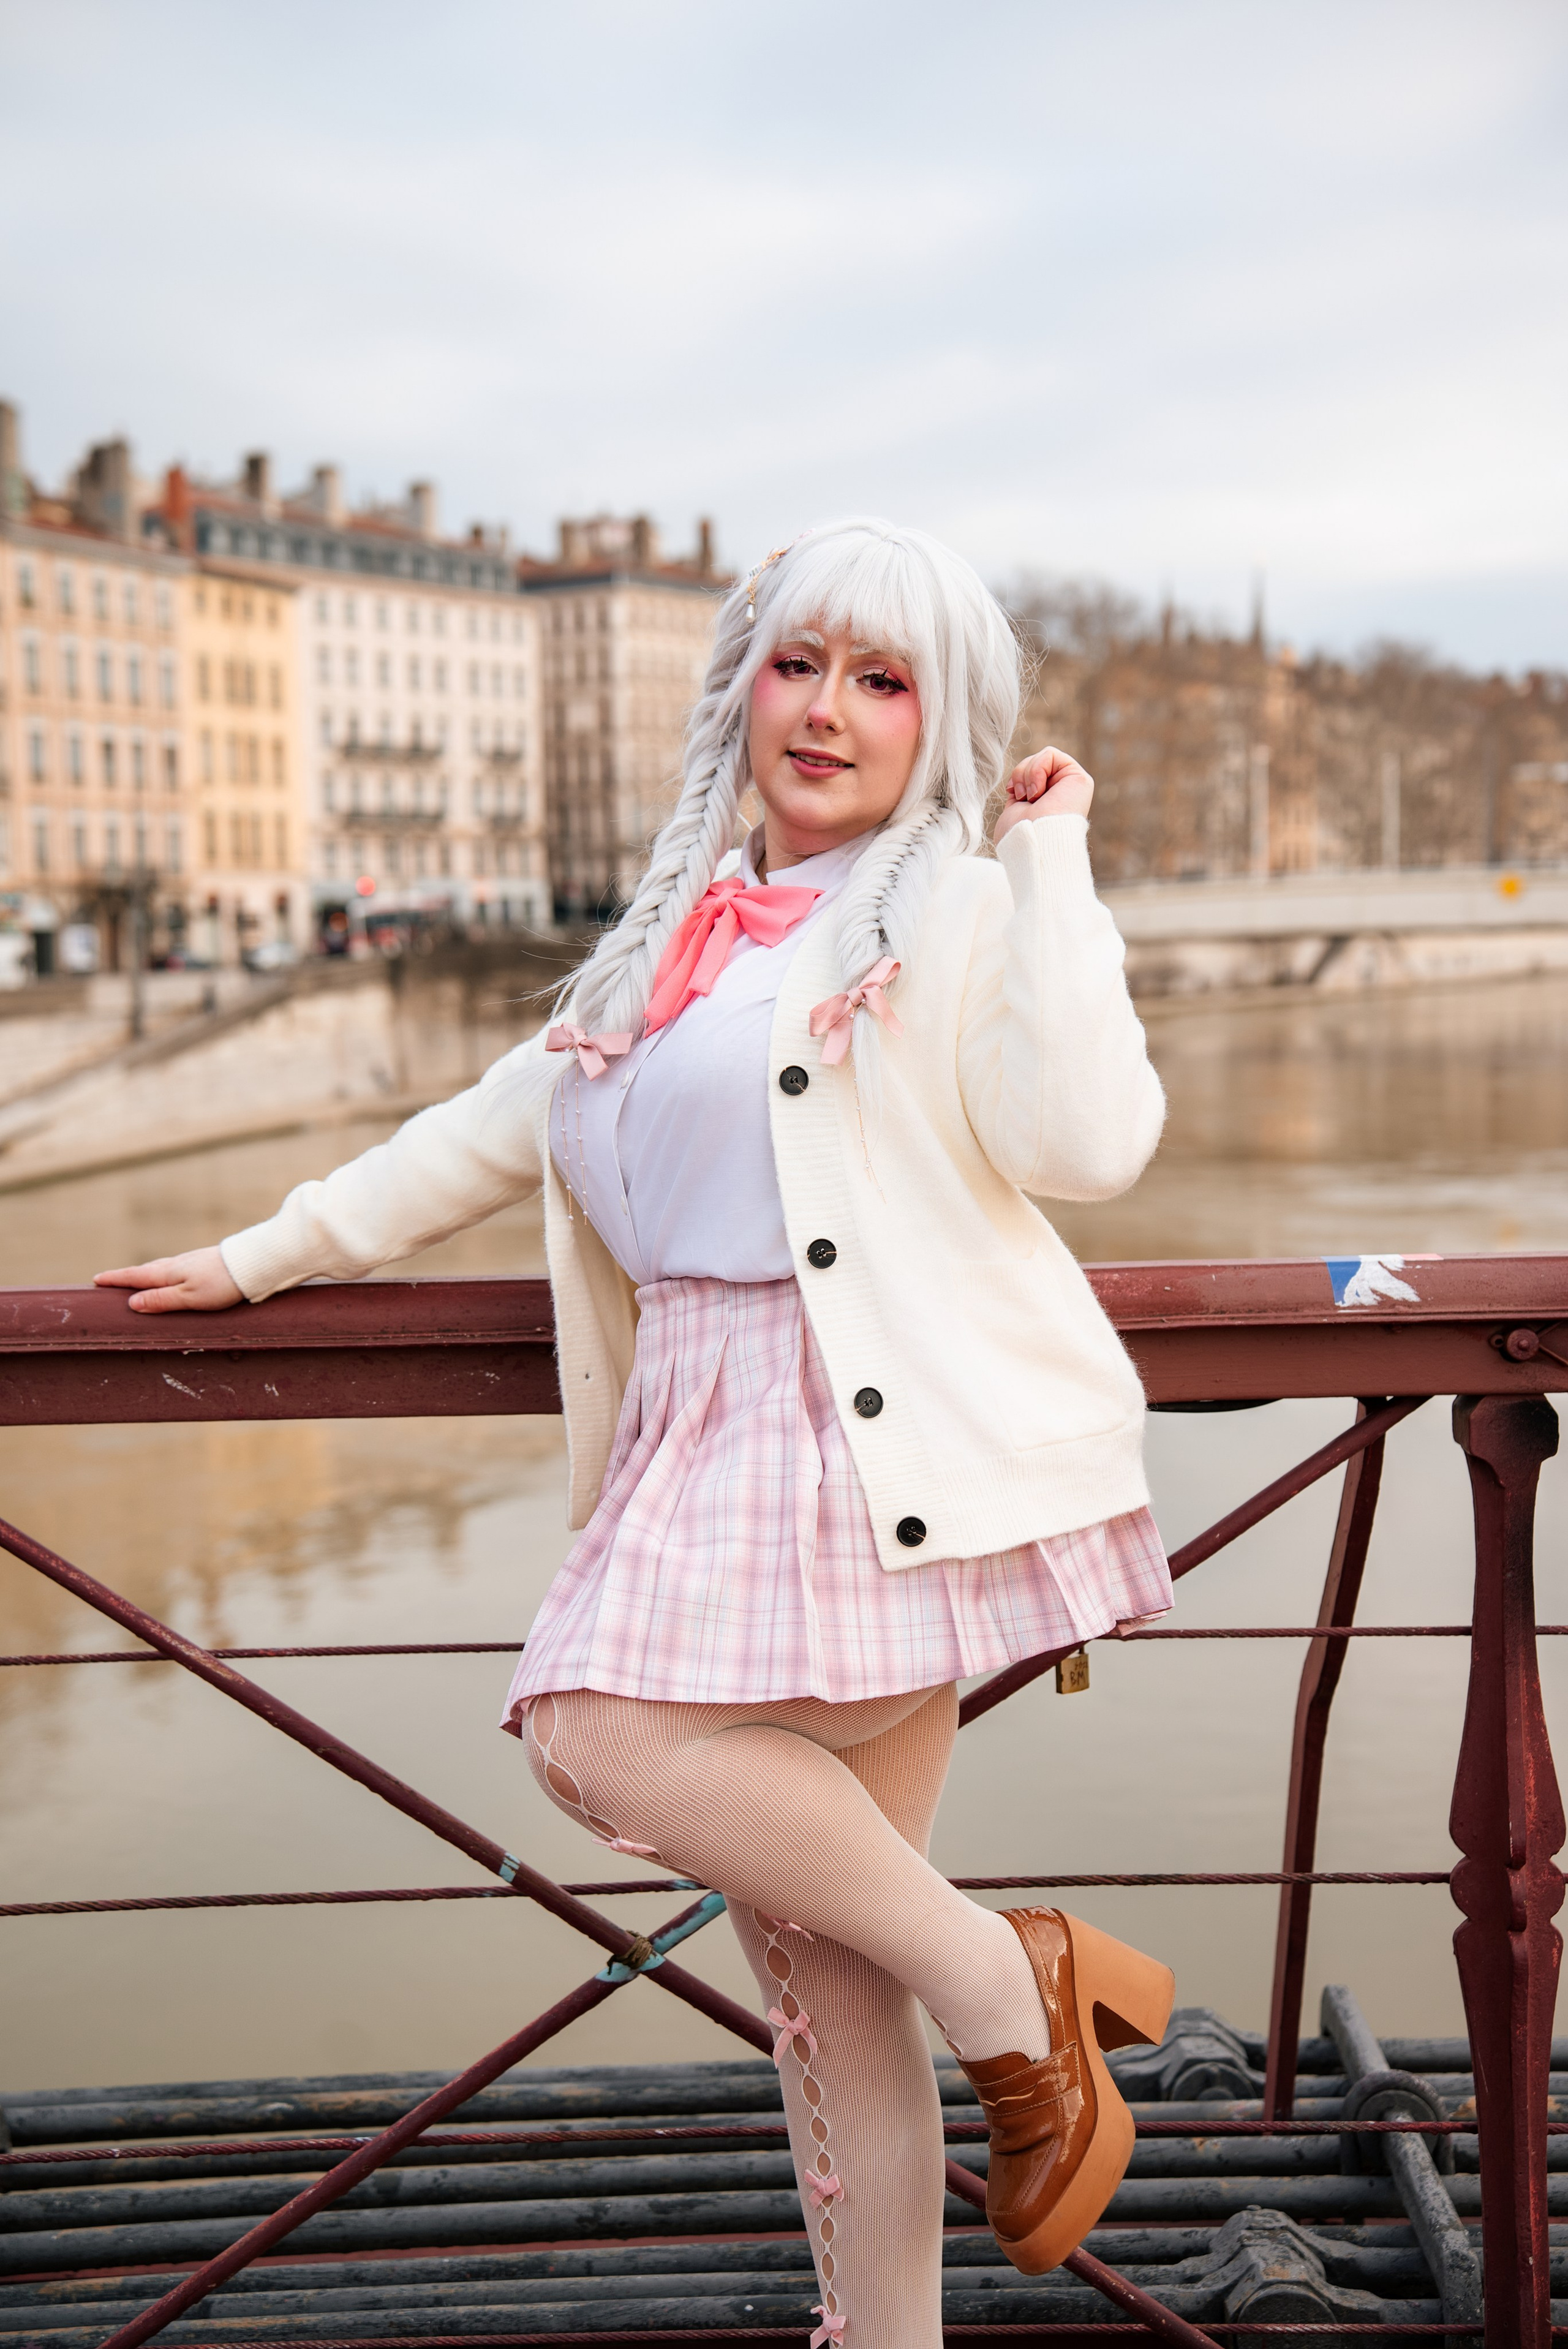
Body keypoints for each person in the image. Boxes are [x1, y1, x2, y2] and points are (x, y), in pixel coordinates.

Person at [97, 518, 1176, 2349]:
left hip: (862, 1450)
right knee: (834, 1987)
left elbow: (1088, 1142)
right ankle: (894, 2313)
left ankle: (1018, 1978)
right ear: (743, 683)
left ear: (944, 723)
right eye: (800, 662)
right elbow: (485, 1126)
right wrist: (265, 1250)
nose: (829, 709)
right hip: (699, 1443)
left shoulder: (952, 913)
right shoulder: (670, 937)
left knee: (592, 1734)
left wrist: (1051, 861)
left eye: (885, 679)